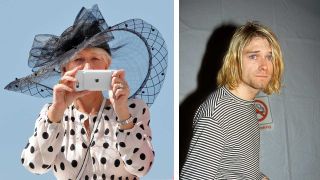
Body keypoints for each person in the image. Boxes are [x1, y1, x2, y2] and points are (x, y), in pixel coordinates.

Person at [5, 5, 168, 180]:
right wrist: (56, 112)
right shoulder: (51, 114)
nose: (88, 67)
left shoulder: (133, 108)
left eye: (95, 59)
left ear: (107, 66)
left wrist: (122, 113)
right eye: (79, 59)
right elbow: (34, 165)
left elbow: (141, 167)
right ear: (64, 69)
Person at [180, 21, 284, 180]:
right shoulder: (215, 114)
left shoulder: (246, 106)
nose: (264, 66)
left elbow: (233, 168)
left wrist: (260, 177)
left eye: (269, 56)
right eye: (254, 56)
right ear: (235, 60)